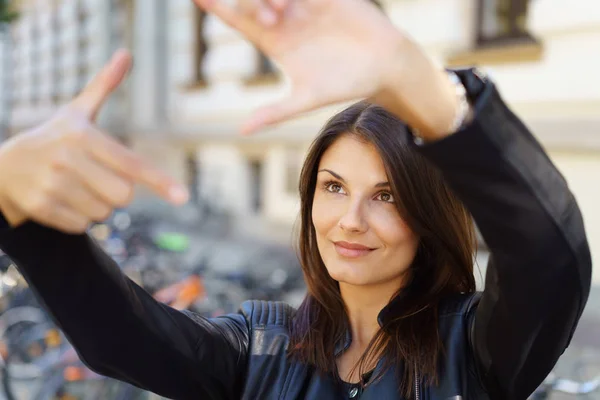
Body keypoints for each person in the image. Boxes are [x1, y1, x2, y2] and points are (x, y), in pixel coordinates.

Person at [0, 0, 591, 398]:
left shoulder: (476, 346)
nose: (350, 221)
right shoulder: (261, 345)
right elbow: (121, 338)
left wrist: (420, 87)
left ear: (429, 218)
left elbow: (549, 256)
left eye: (386, 195)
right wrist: (18, 209)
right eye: (334, 187)